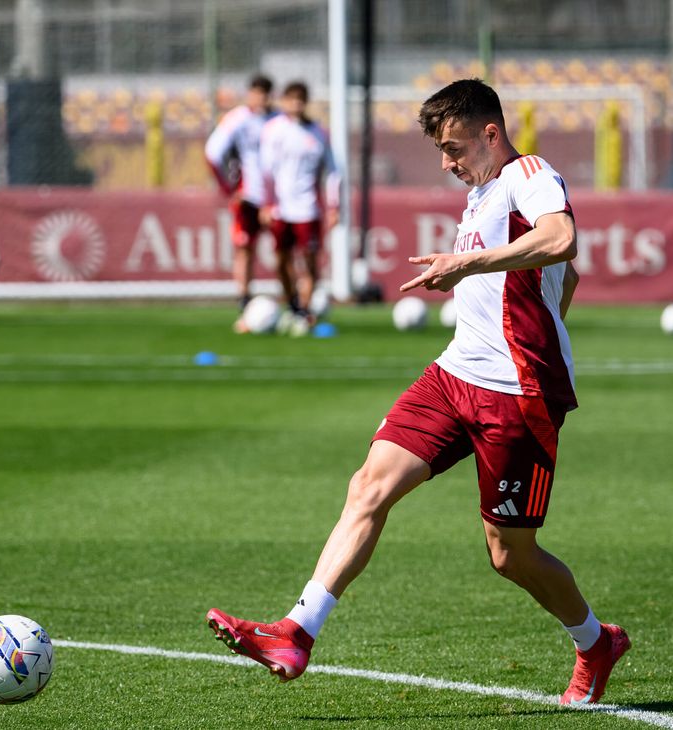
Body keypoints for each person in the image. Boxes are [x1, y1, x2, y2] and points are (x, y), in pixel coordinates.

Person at [207, 79, 630, 706]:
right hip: (454, 375)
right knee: (368, 486)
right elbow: (563, 272)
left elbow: (562, 241)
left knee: (509, 555)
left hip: (517, 392)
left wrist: (468, 267)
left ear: (491, 134)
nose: (447, 162)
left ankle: (597, 642)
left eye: (455, 148)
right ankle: (297, 632)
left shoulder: (530, 174)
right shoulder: (483, 191)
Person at [258, 81, 340, 332]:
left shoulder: (317, 133)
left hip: (308, 208)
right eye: (291, 99)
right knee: (282, 260)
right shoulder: (273, 130)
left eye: (300, 99)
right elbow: (265, 170)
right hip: (281, 208)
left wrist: (333, 206)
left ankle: (303, 310)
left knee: (310, 261)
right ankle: (293, 304)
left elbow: (333, 172)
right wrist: (266, 203)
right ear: (283, 101)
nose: (296, 104)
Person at [204, 75, 277, 332]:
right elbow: (213, 152)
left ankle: (296, 306)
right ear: (249, 94)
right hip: (247, 197)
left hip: (277, 199)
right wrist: (228, 188)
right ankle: (244, 307)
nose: (261, 98)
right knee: (244, 250)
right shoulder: (237, 119)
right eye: (257, 92)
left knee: (287, 253)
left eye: (265, 93)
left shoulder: (278, 120)